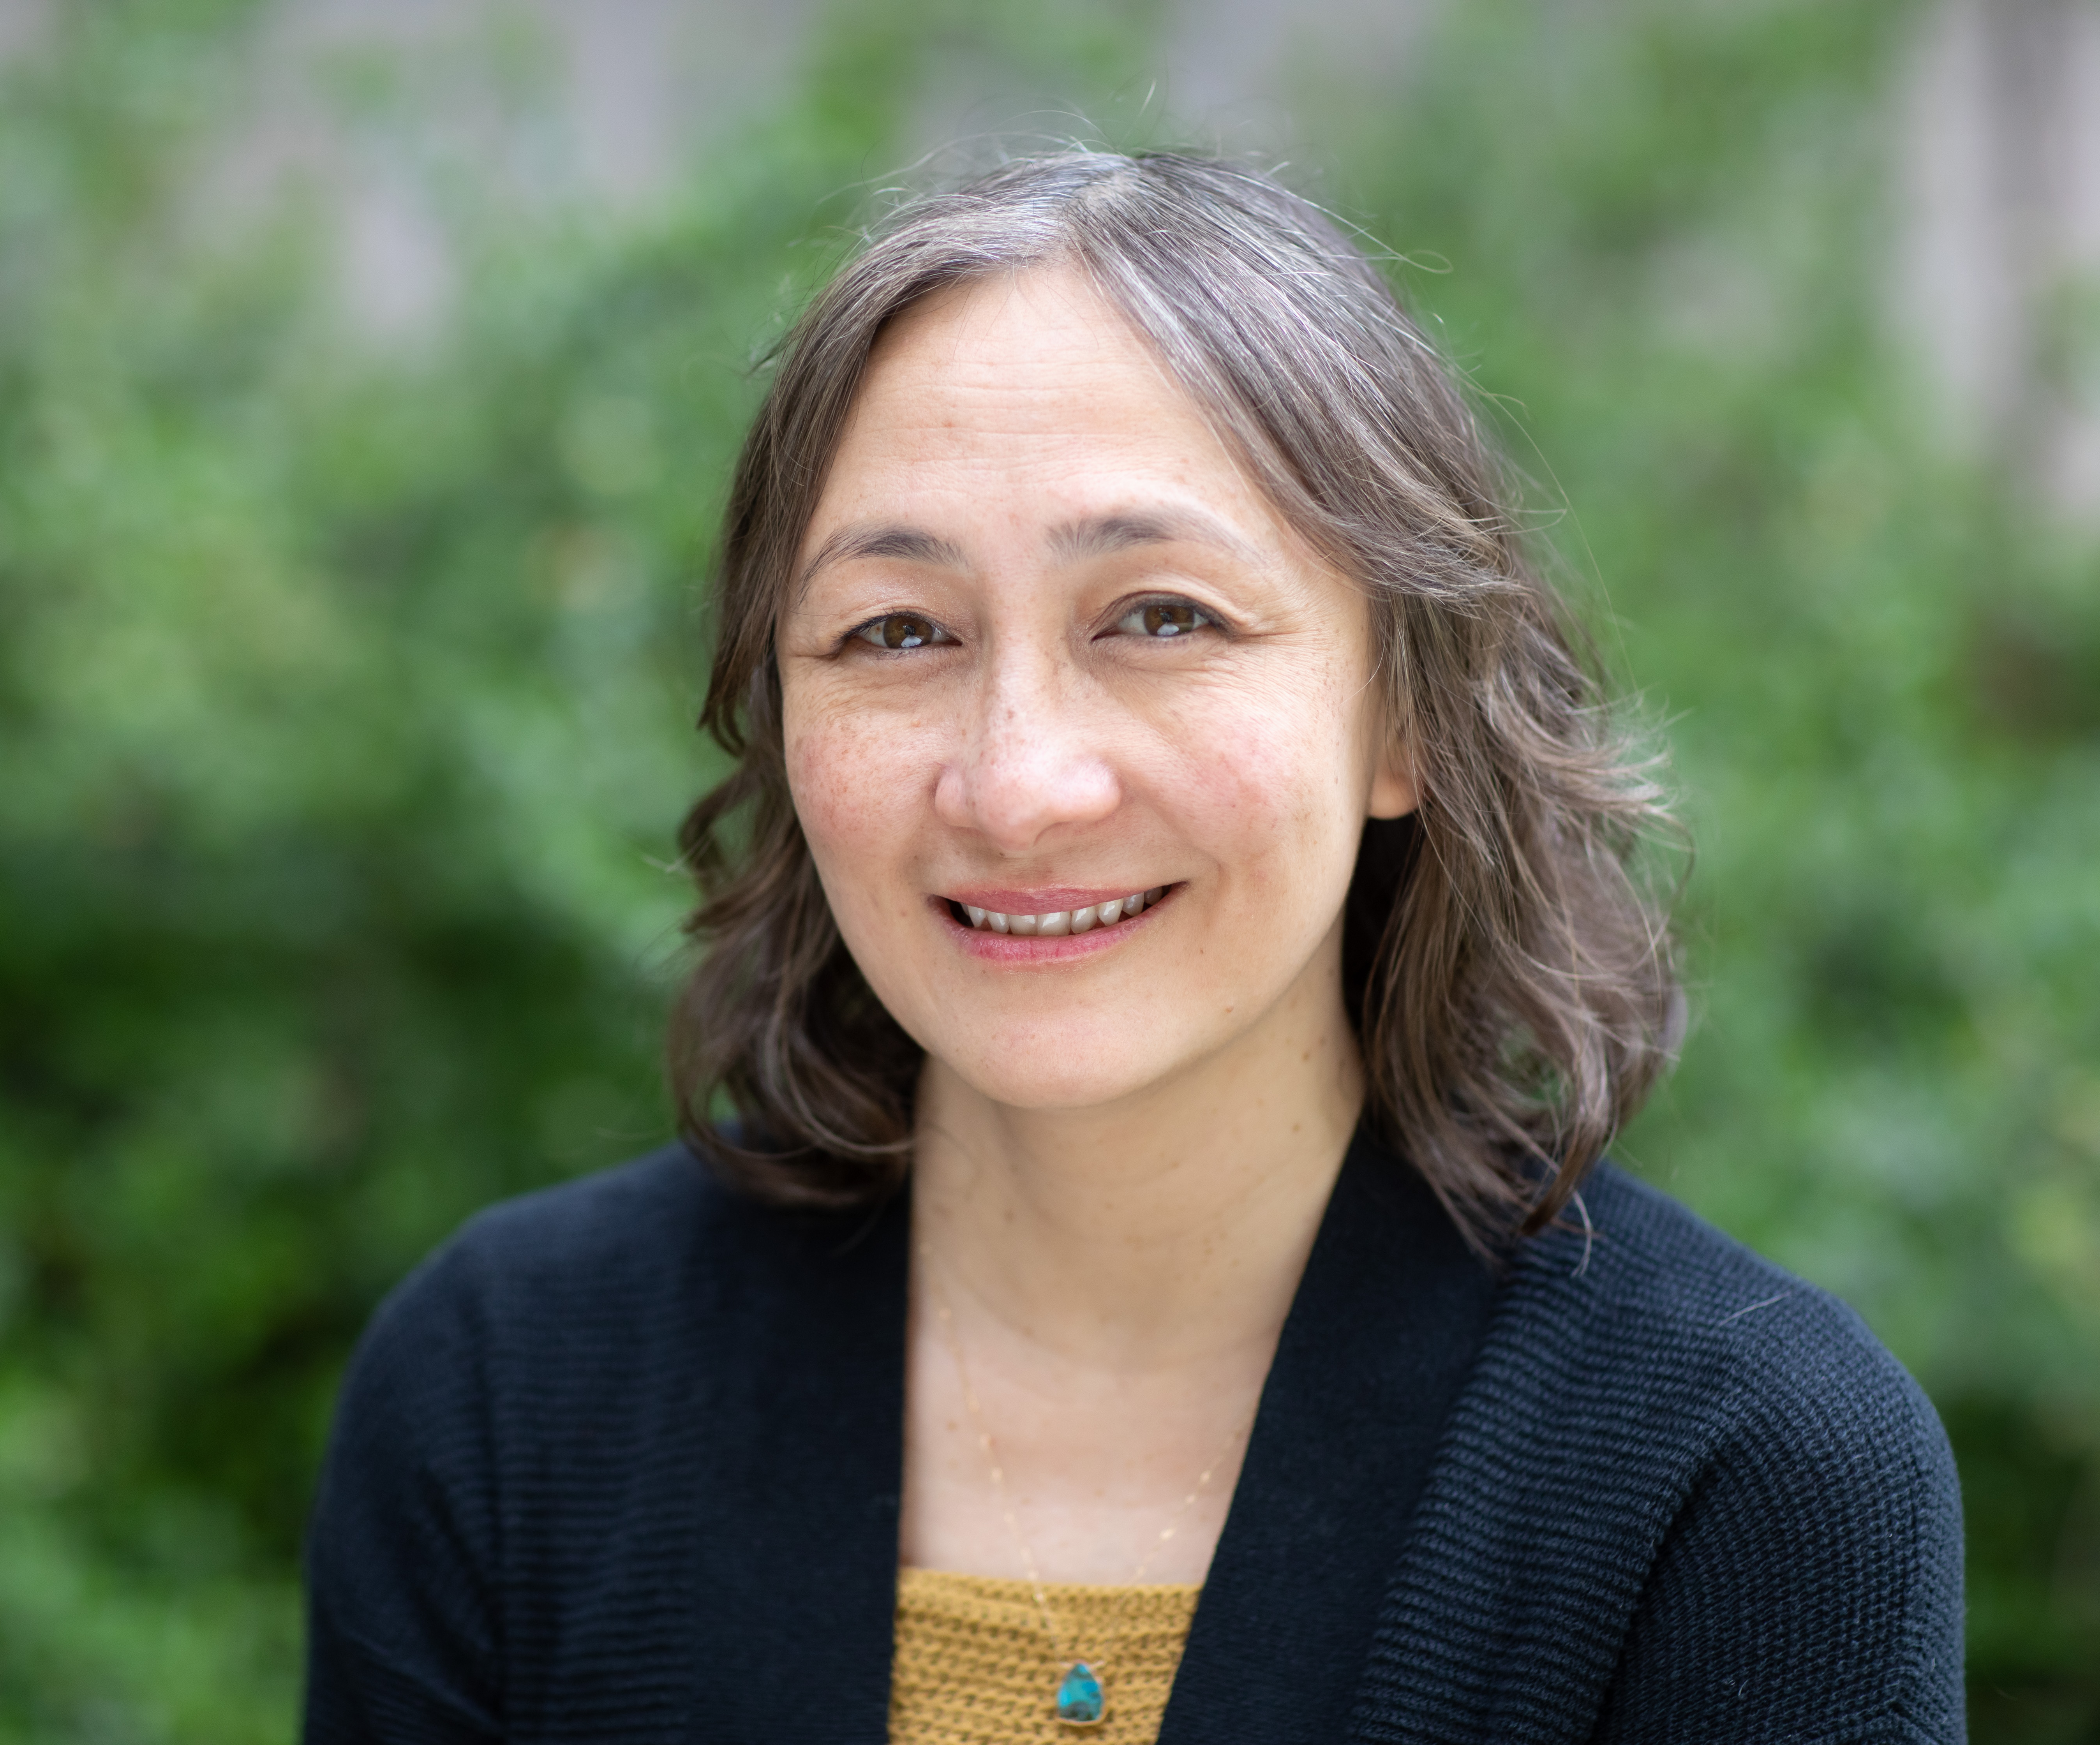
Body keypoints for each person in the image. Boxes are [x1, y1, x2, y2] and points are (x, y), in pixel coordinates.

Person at [302, 151, 1965, 1744]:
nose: (1019, 783)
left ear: (1407, 714)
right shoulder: (512, 1398)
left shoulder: (1743, 1478)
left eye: (1160, 616)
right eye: (897, 631)